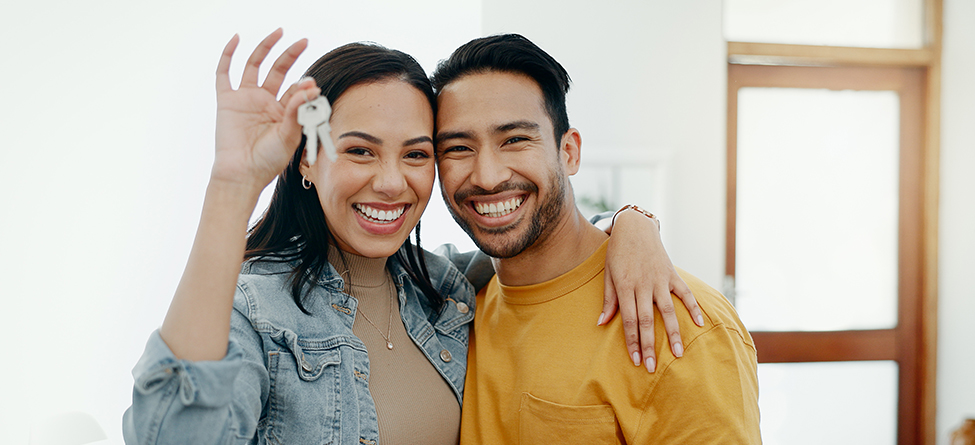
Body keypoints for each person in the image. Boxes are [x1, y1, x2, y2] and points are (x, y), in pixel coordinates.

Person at [122, 29, 699, 444]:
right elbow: (173, 432)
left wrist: (630, 225)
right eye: (359, 150)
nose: (392, 182)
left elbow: (538, 248)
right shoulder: (256, 309)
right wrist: (232, 185)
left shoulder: (444, 288)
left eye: (417, 154)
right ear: (306, 161)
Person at [431, 33, 762, 444]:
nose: (488, 176)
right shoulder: (449, 306)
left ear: (568, 153)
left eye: (515, 140)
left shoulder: (679, 322)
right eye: (458, 148)